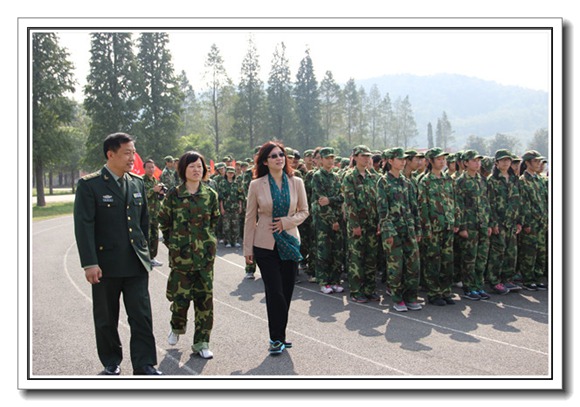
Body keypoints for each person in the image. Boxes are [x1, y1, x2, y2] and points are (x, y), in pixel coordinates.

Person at [73, 132, 161, 375]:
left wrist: (144, 254)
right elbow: (84, 226)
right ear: (110, 154)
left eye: (133, 152)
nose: (132, 157)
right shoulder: (90, 185)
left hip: (135, 263)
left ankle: (144, 363)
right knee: (106, 317)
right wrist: (90, 263)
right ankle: (111, 361)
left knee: (141, 316)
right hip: (106, 265)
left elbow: (144, 223)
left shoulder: (137, 182)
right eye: (127, 153)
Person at [243, 141, 309, 355]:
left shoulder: (296, 182)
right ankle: (275, 338)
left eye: (281, 154)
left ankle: (280, 335)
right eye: (273, 156)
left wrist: (286, 222)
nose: (279, 158)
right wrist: (247, 249)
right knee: (275, 291)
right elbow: (250, 217)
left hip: (289, 242)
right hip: (265, 245)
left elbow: (304, 211)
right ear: (265, 161)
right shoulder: (256, 185)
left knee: (287, 291)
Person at [158, 151, 220, 359]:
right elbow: (164, 223)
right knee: (180, 298)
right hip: (181, 258)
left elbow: (214, 222)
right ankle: (176, 327)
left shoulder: (210, 194)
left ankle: (202, 342)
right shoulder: (174, 195)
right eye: (192, 166)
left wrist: (207, 244)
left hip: (204, 259)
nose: (197, 170)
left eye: (200, 166)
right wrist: (175, 244)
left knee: (205, 300)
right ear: (183, 169)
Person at [377, 148, 422, 312]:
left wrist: (417, 230)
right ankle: (397, 298)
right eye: (400, 159)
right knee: (396, 267)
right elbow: (383, 210)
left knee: (413, 265)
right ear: (390, 161)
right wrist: (388, 232)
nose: (403, 162)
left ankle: (411, 297)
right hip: (393, 231)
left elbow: (414, 208)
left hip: (409, 230)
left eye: (404, 159)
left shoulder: (407, 183)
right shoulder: (383, 182)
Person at [418, 147, 458, 306]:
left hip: (448, 225)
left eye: (443, 159)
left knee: (448, 261)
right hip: (433, 228)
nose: (442, 162)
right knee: (433, 261)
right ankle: (434, 293)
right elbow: (422, 206)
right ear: (430, 161)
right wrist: (427, 227)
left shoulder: (448, 180)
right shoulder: (425, 181)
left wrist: (455, 220)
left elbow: (453, 201)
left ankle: (446, 291)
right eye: (439, 159)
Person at [341, 145, 380, 303]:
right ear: (355, 157)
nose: (366, 158)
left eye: (368, 156)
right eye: (363, 155)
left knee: (371, 258)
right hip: (358, 225)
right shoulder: (350, 177)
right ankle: (357, 291)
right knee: (357, 258)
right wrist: (355, 224)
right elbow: (350, 203)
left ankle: (370, 289)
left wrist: (379, 222)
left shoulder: (373, 177)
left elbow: (378, 201)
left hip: (372, 224)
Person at [455, 150, 492, 301]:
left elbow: (486, 203)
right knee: (469, 258)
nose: (477, 163)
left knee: (481, 258)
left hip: (482, 224)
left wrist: (489, 223)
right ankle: (469, 287)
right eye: (474, 160)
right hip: (469, 225)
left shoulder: (482, 180)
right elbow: (458, 205)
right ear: (465, 163)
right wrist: (462, 227)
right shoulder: (460, 181)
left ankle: (478, 285)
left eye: (479, 161)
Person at [486, 149, 523, 294]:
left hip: (512, 221)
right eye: (503, 160)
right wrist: (493, 223)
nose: (506, 163)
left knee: (511, 252)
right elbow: (490, 203)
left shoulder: (514, 179)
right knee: (498, 252)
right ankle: (495, 281)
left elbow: (518, 201)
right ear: (496, 163)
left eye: (508, 160)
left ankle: (507, 279)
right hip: (499, 222)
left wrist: (519, 221)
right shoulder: (492, 180)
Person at [311, 147, 345, 294]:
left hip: (337, 218)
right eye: (327, 158)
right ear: (321, 160)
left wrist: (330, 200)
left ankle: (335, 280)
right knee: (324, 250)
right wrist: (332, 220)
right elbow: (321, 201)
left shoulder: (336, 177)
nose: (330, 160)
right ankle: (324, 281)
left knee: (337, 251)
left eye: (332, 158)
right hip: (324, 220)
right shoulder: (317, 176)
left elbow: (341, 197)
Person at [517, 150, 548, 291]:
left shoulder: (540, 179)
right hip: (531, 222)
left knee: (541, 251)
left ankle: (537, 277)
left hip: (542, 221)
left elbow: (545, 200)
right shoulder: (522, 181)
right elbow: (523, 204)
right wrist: (526, 223)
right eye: (535, 161)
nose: (538, 164)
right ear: (528, 163)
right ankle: (528, 279)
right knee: (529, 251)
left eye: (539, 161)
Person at [143, 159, 164, 267]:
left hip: (155, 214)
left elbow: (158, 197)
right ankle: (145, 258)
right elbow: (143, 195)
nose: (151, 169)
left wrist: (160, 192)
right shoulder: (141, 181)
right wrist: (153, 190)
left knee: (155, 237)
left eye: (152, 167)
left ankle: (152, 257)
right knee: (147, 236)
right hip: (146, 214)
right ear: (144, 168)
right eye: (149, 167)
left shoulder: (155, 181)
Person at [219, 166, 243, 248]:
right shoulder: (222, 183)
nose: (231, 174)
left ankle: (235, 241)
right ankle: (227, 241)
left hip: (235, 207)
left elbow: (240, 196)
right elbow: (221, 197)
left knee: (235, 225)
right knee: (226, 225)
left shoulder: (237, 184)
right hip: (226, 207)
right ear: (226, 173)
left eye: (232, 173)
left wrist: (240, 206)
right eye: (229, 172)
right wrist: (221, 208)